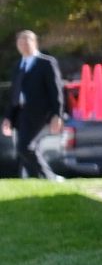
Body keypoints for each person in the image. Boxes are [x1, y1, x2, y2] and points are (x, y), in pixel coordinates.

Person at [6, 32, 55, 178]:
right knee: (22, 149)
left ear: (34, 42)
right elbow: (14, 93)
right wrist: (8, 117)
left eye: (26, 42)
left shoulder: (46, 63)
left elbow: (55, 90)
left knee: (25, 146)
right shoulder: (18, 65)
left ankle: (48, 176)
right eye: (20, 43)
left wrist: (57, 114)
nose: (23, 46)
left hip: (39, 112)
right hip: (20, 113)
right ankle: (37, 178)